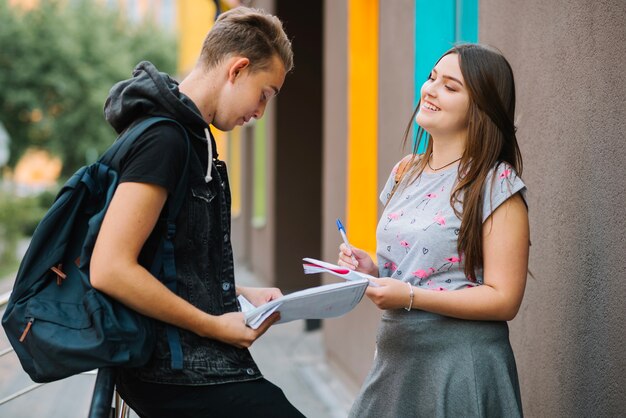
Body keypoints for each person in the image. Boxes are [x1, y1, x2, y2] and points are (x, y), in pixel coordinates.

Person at [90, 7, 304, 418]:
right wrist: (214, 323)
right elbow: (110, 267)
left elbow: (166, 258)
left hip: (191, 362)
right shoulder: (165, 139)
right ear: (237, 69)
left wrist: (236, 294)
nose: (260, 113)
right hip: (172, 369)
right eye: (265, 94)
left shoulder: (192, 135)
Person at [338, 43, 529, 417]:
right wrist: (373, 270)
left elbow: (504, 298)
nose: (430, 89)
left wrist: (409, 295)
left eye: (450, 86)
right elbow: (425, 266)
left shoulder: (496, 184)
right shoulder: (405, 171)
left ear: (481, 108)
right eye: (432, 78)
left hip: (460, 368)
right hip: (397, 360)